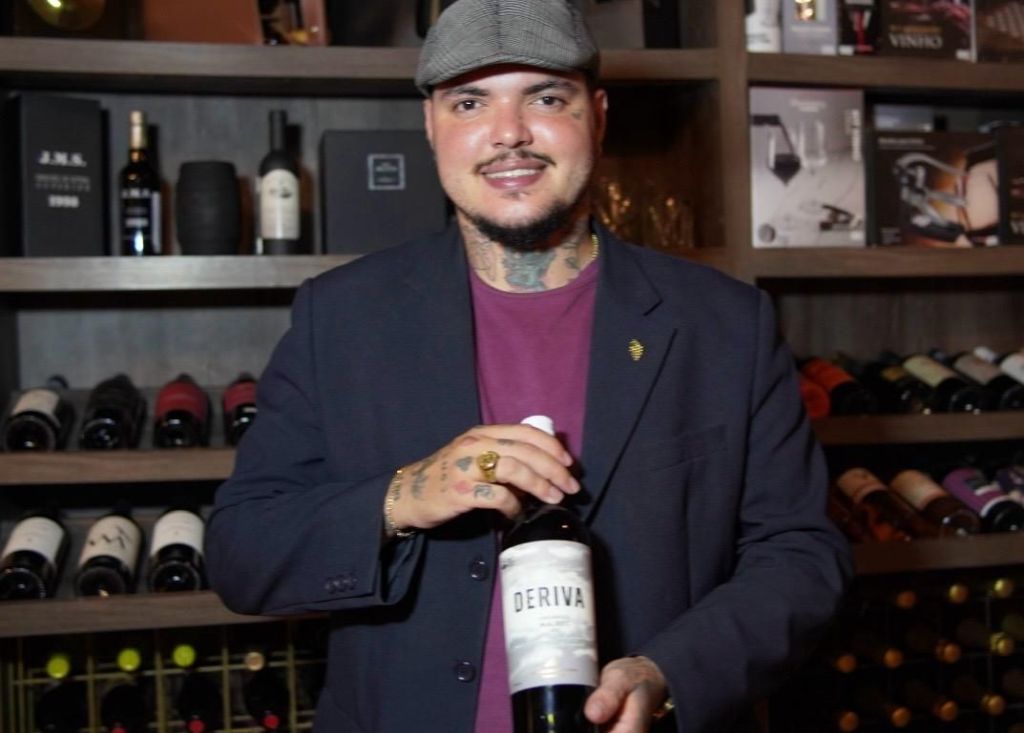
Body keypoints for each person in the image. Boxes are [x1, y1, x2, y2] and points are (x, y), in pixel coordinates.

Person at [205, 0, 852, 731]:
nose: (508, 132)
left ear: (597, 117)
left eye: (546, 99)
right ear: (431, 126)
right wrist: (405, 495)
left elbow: (800, 555)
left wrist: (669, 674)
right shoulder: (341, 316)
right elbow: (241, 555)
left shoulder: (725, 323)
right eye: (470, 102)